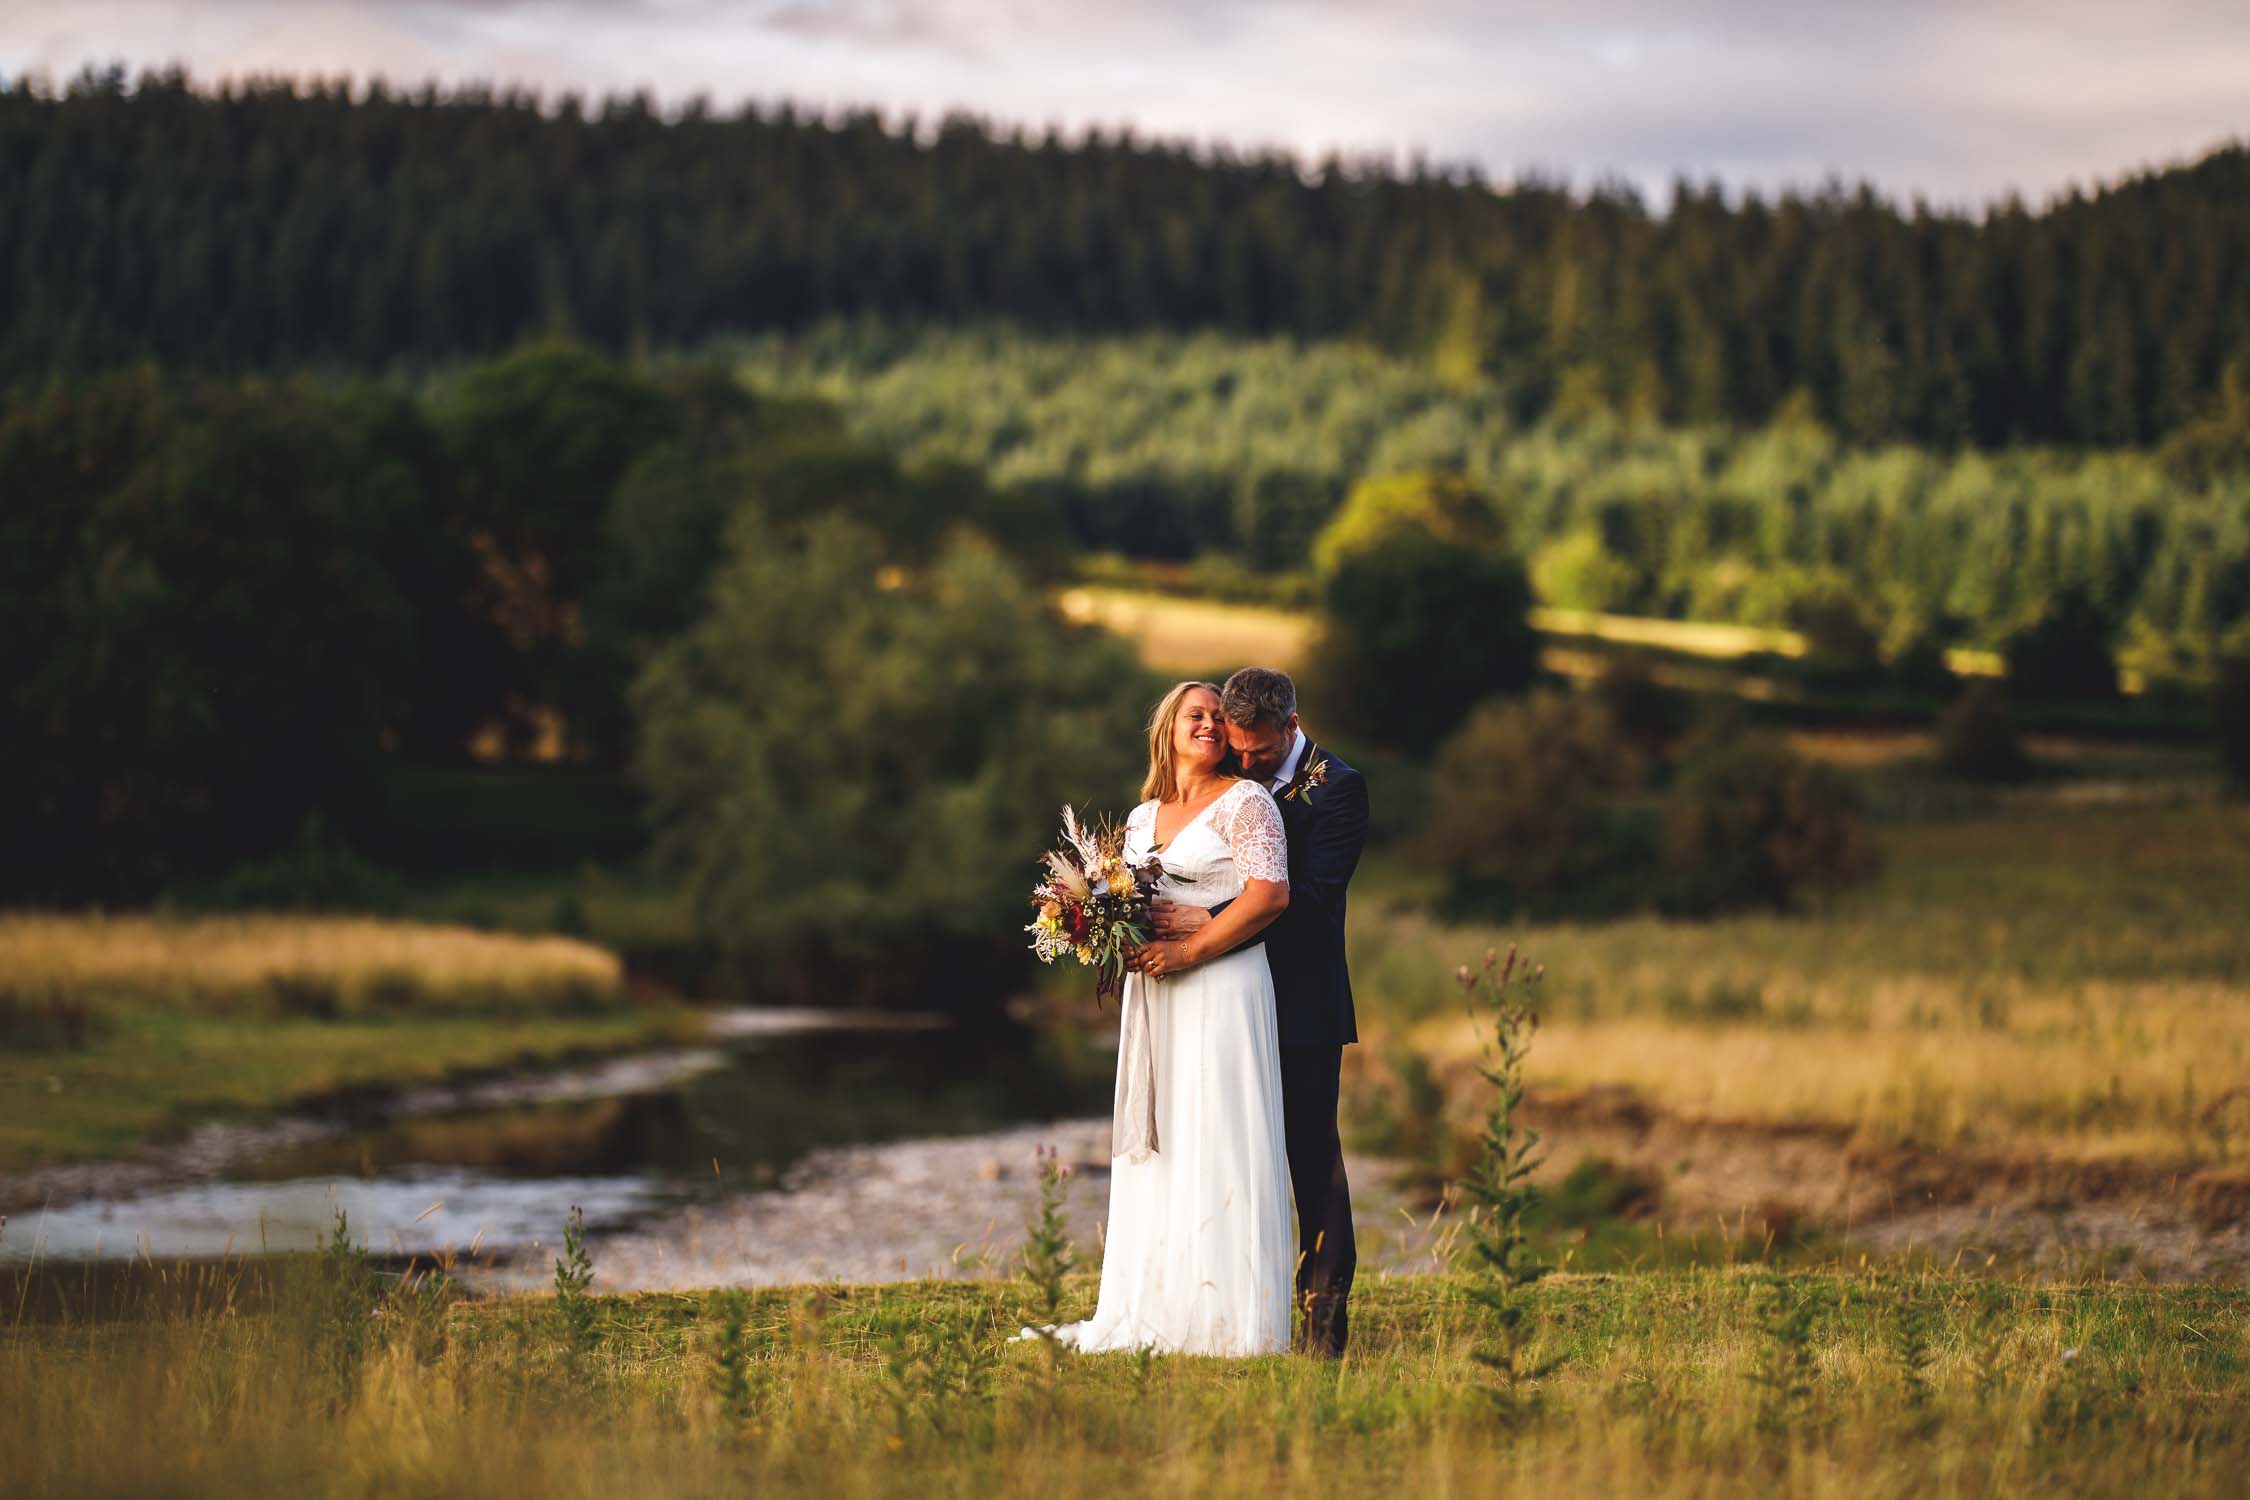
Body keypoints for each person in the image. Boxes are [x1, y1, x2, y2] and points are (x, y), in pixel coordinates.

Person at [1026, 680, 1296, 1355]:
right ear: (1169, 728)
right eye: (1194, 714)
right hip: (1157, 995)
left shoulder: (1248, 803)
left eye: (1215, 716)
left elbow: (1270, 897)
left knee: (1220, 1130)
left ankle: (1231, 1321)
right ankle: (1159, 1306)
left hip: (1222, 984)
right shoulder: (1143, 818)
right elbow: (1133, 900)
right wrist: (1091, 922)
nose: (1207, 724)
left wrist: (1191, 950)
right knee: (1169, 1135)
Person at [1154, 666, 1367, 1357]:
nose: (1244, 762)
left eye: (1259, 752)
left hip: (1300, 1003)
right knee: (1225, 1152)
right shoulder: (1230, 779)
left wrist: (1202, 921)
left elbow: (1308, 900)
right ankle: (1229, 1314)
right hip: (1218, 1000)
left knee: (1312, 1161)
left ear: (1292, 727)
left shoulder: (1339, 789)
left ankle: (1324, 1331)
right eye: (1236, 750)